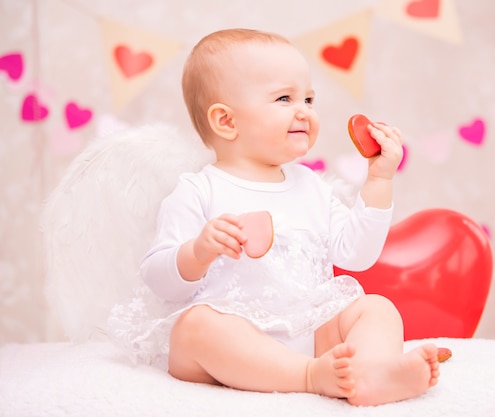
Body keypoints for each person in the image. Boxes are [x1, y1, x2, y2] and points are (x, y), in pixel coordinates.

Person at [111, 28, 439, 407]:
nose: (305, 110)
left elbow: (356, 255)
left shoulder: (312, 187)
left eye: (309, 98)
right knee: (194, 327)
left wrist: (379, 179)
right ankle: (308, 376)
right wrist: (198, 251)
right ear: (226, 122)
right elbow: (159, 280)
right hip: (232, 344)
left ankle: (371, 374)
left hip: (307, 331)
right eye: (285, 97)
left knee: (376, 308)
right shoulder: (199, 191)